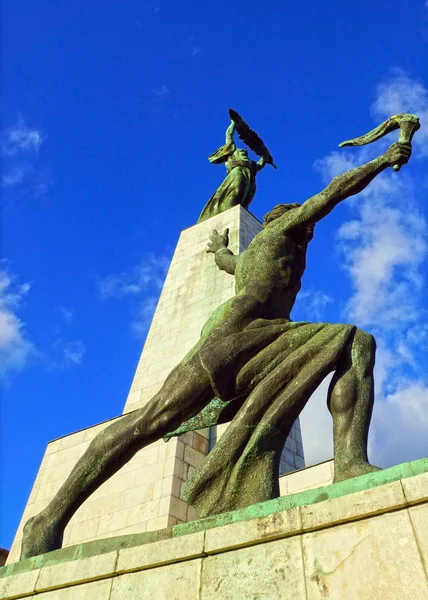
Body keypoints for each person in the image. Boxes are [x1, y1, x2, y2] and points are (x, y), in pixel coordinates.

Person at [20, 141, 411, 559]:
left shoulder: (263, 256)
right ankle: (49, 519)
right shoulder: (280, 231)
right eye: (306, 224)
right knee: (150, 420)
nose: (311, 231)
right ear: (287, 221)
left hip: (267, 339)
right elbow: (333, 191)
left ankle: (349, 461)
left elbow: (231, 263)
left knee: (356, 343)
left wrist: (220, 250)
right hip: (232, 340)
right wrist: (384, 158)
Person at [197, 121, 268, 222]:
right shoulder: (233, 151)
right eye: (241, 150)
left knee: (246, 198)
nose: (245, 151)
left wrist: (265, 158)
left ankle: (238, 211)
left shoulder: (250, 163)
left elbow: (259, 165)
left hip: (250, 177)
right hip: (237, 171)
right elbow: (229, 135)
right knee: (237, 190)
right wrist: (234, 123)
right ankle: (229, 212)